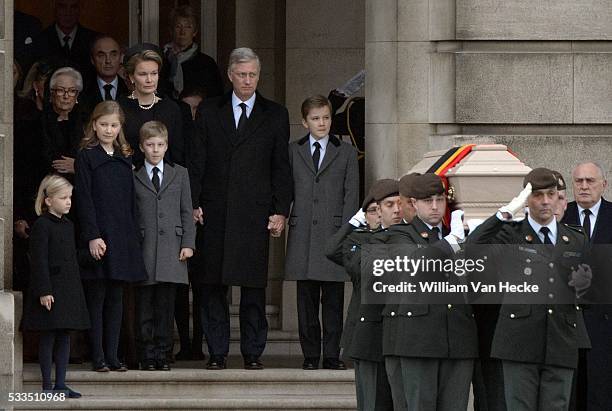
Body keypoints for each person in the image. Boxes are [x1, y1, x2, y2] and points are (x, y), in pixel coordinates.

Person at [189, 47, 292, 370]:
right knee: (212, 287)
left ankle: (252, 352)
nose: (248, 80)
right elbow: (196, 161)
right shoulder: (208, 110)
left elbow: (281, 167)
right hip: (215, 210)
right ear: (231, 75)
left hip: (254, 213)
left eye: (253, 75)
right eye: (242, 74)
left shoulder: (274, 113)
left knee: (252, 289)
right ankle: (216, 351)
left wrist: (280, 210)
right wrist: (193, 203)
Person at [469, 168, 592, 411]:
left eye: (551, 194)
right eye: (537, 195)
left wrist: (585, 287)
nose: (545, 201)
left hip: (561, 340)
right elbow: (473, 245)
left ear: (559, 197)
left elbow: (588, 296)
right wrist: (505, 212)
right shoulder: (510, 234)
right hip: (519, 341)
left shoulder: (575, 238)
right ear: (526, 199)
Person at [376, 173, 473, 411]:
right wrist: (452, 242)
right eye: (427, 201)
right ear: (413, 204)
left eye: (440, 200)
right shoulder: (399, 235)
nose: (434, 206)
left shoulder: (460, 235)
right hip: (418, 340)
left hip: (457, 338)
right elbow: (416, 265)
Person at [285, 94, 359, 370]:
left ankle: (331, 354)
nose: (322, 123)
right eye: (315, 118)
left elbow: (351, 194)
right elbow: (286, 188)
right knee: (305, 301)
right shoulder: (294, 151)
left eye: (326, 117)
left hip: (334, 232)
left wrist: (347, 232)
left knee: (333, 299)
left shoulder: (347, 151)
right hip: (303, 232)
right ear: (305, 122)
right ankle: (309, 355)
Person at [75, 101, 148, 372]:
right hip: (100, 236)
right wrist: (92, 235)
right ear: (94, 125)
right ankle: (98, 356)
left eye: (114, 125)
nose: (108, 130)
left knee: (117, 298)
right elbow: (84, 199)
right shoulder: (87, 155)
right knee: (98, 297)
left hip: (122, 236)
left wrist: (133, 237)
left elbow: (130, 201)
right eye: (104, 124)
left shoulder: (124, 156)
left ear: (120, 128)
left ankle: (114, 356)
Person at [326, 178, 401, 411]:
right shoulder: (359, 241)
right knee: (372, 401)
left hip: (399, 334)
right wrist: (352, 223)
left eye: (399, 203)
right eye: (384, 206)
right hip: (368, 334)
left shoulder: (406, 238)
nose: (395, 210)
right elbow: (332, 251)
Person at [132, 121, 195, 371]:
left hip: (172, 248)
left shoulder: (180, 173)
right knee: (144, 307)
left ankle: (163, 353)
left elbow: (186, 209)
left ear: (167, 146)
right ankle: (146, 355)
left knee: (166, 308)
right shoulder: (133, 174)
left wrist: (188, 243)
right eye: (150, 145)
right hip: (145, 248)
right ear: (141, 146)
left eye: (160, 144)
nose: (155, 149)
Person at [22, 174, 90, 398]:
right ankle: (46, 385)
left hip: (67, 289)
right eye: (63, 197)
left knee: (64, 336)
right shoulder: (42, 225)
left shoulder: (68, 225)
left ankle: (60, 383)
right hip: (51, 290)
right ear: (49, 200)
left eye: (70, 197)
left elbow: (69, 256)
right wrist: (44, 291)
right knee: (48, 336)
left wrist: (90, 254)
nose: (68, 201)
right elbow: (39, 260)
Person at [561, 162, 612, 410]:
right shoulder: (560, 216)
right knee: (571, 395)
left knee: (602, 394)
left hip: (606, 323)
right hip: (569, 322)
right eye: (579, 181)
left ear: (604, 184)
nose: (583, 186)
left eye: (590, 181)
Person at [119, 48, 184, 167]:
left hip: (165, 180)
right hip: (128, 176)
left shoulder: (171, 108)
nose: (149, 80)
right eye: (143, 74)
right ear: (131, 77)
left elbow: (178, 153)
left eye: (154, 73)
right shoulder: (119, 108)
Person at [163, 5, 223, 99]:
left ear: (194, 32)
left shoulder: (206, 64)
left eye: (188, 27)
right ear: (171, 30)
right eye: (178, 26)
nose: (183, 32)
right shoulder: (161, 61)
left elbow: (216, 97)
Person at [31, 0, 98, 77]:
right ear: (55, 8)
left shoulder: (93, 41)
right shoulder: (40, 40)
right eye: (62, 6)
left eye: (73, 7)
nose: (68, 12)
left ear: (80, 9)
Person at [42, 66, 87, 177]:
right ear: (52, 93)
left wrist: (78, 166)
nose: (66, 96)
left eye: (72, 91)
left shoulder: (88, 121)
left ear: (77, 95)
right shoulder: (38, 122)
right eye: (61, 90)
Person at [80, 35, 128, 113]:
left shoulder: (129, 89)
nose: (108, 61)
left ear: (121, 57)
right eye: (101, 55)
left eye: (113, 54)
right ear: (92, 60)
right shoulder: (81, 90)